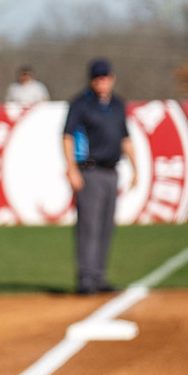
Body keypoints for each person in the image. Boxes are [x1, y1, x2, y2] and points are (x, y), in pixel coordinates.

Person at [62, 59, 134, 295]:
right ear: (91, 80)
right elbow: (68, 137)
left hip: (111, 171)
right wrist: (72, 169)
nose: (102, 82)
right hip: (89, 171)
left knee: (105, 226)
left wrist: (137, 167)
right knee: (88, 227)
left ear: (112, 78)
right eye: (98, 78)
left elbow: (125, 138)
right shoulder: (81, 105)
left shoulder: (117, 105)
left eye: (106, 77)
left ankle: (99, 277)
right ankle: (86, 278)